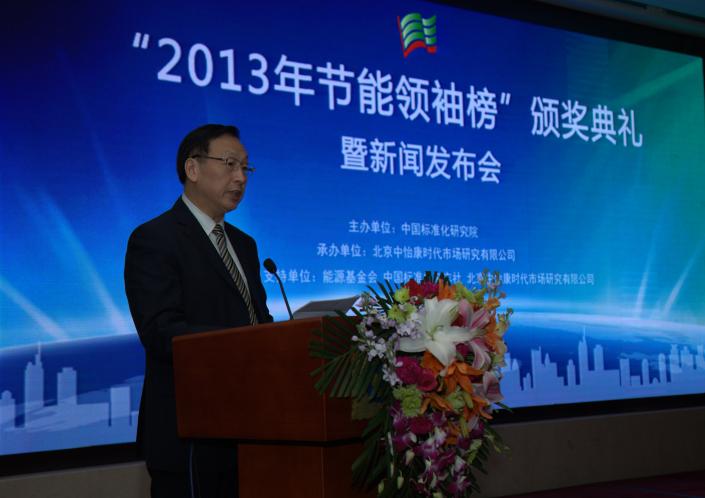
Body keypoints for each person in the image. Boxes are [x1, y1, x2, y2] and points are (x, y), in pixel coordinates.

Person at [124, 124, 272, 498]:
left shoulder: (244, 245)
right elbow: (161, 330)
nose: (241, 177)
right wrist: (241, 344)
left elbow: (258, 322)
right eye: (229, 164)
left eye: (245, 167)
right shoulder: (154, 238)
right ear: (192, 168)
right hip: (190, 435)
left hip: (251, 430)